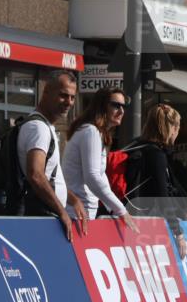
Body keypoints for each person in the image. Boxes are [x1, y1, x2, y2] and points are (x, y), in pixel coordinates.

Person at [17, 69, 87, 241]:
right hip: (42, 218)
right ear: (46, 92)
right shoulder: (38, 128)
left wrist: (73, 199)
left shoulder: (45, 126)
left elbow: (48, 176)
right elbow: (36, 174)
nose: (69, 102)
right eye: (63, 95)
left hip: (47, 216)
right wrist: (62, 211)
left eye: (72, 97)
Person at [63, 87, 137, 230]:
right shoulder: (91, 131)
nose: (121, 111)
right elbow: (92, 177)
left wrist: (114, 208)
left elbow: (100, 176)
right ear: (102, 105)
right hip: (75, 213)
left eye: (124, 106)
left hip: (83, 211)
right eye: (116, 105)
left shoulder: (96, 132)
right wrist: (121, 210)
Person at [126, 104, 187, 257]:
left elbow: (173, 188)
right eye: (178, 127)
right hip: (144, 227)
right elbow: (162, 197)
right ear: (172, 128)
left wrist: (185, 212)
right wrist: (178, 232)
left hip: (129, 219)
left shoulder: (137, 146)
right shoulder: (156, 155)